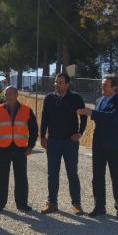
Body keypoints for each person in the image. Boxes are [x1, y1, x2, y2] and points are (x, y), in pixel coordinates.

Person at [77, 74, 118, 219]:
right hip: (98, 144)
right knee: (97, 177)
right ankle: (99, 207)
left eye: (105, 85)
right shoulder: (99, 101)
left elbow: (112, 118)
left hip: (113, 145)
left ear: (114, 87)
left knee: (116, 177)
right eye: (102, 84)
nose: (102, 87)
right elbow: (99, 118)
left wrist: (91, 112)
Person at [40, 72, 87, 215]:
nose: (57, 84)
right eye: (55, 82)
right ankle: (52, 203)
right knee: (52, 174)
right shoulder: (49, 98)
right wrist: (42, 137)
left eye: (60, 82)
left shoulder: (76, 98)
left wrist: (80, 132)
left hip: (70, 143)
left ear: (67, 84)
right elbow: (44, 118)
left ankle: (77, 204)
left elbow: (83, 115)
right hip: (53, 141)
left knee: (72, 173)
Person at [0, 86, 38, 214]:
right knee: (1, 177)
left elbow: (34, 130)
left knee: (21, 177)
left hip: (20, 149)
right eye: (6, 94)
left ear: (16, 95)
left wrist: (30, 146)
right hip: (2, 149)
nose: (8, 96)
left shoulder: (27, 110)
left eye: (10, 94)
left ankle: (22, 204)